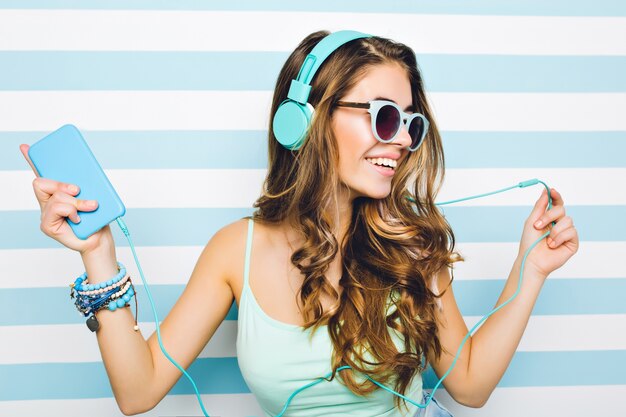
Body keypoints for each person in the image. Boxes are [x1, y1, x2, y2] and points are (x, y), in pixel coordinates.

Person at [19, 30, 579, 417]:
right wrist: (97, 254)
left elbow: (471, 386)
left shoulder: (409, 245)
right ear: (302, 121)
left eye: (411, 122)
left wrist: (529, 272)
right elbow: (138, 392)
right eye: (384, 116)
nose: (404, 139)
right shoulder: (234, 250)